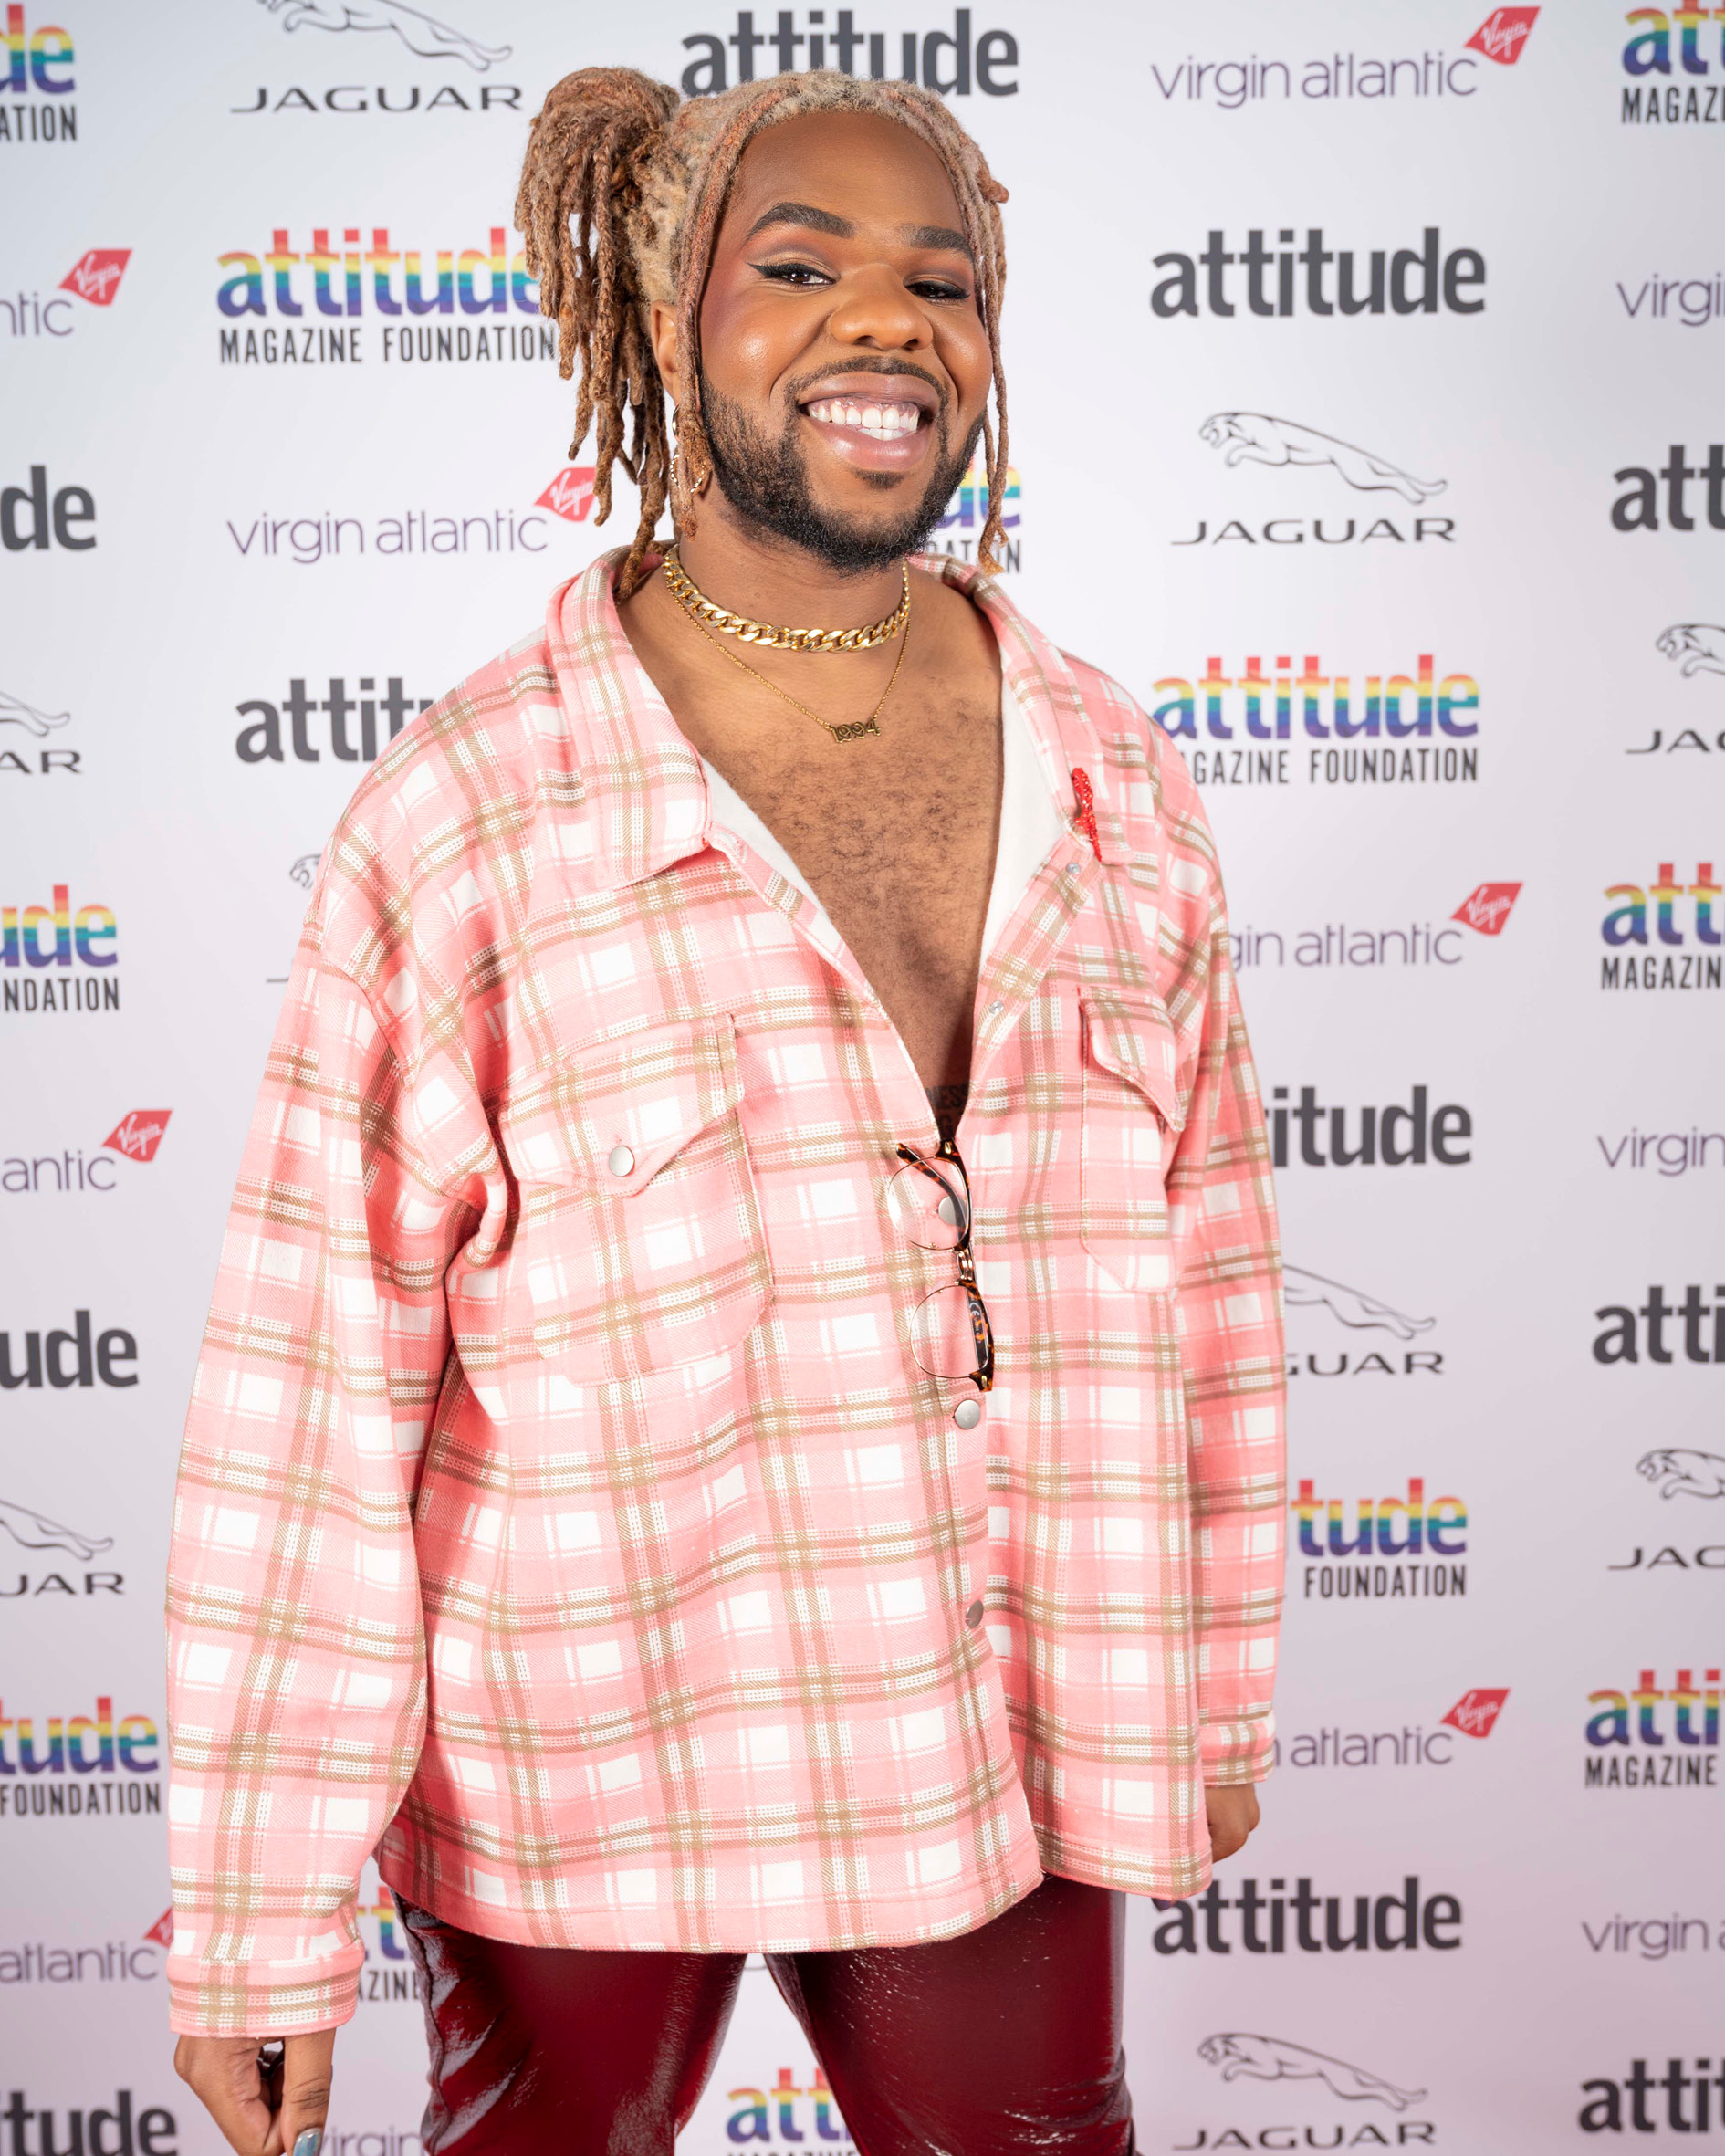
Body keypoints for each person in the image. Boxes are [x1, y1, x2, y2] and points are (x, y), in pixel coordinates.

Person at [167, 63, 1285, 2156]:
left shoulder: (1115, 779)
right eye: (800, 267)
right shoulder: (476, 811)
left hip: (998, 1736)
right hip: (579, 1760)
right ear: (668, 317)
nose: (888, 323)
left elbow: (1214, 1261)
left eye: (943, 280)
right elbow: (308, 1398)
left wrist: (1213, 1685)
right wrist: (254, 1920)